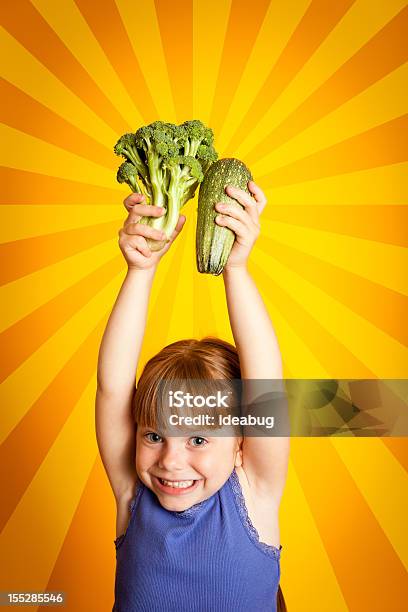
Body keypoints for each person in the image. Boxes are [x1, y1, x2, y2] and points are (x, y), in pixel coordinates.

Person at [96, 181, 289, 611]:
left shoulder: (255, 492)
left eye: (198, 439)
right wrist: (140, 270)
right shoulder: (133, 494)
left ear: (242, 442)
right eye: (154, 436)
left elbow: (266, 389)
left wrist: (235, 269)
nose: (170, 460)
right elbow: (113, 388)